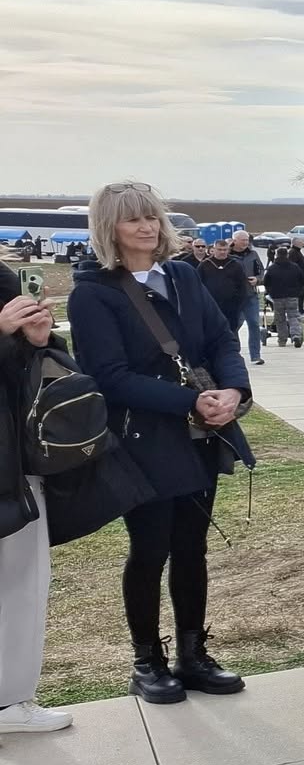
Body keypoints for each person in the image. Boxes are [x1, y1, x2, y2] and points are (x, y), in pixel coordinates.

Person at [67, 181, 255, 702]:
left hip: (200, 434)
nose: (147, 227)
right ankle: (147, 661)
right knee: (150, 550)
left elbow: (221, 340)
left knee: (192, 547)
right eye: (133, 219)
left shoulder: (183, 276)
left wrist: (233, 389)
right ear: (110, 228)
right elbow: (110, 376)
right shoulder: (93, 293)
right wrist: (189, 401)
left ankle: (193, 655)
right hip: (143, 439)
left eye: (151, 217)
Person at [0, 260, 71, 732]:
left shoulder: (3, 279)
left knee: (23, 580)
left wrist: (38, 340)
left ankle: (11, 700)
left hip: (13, 461)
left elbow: (27, 378)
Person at [227, 229, 265, 363]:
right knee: (234, 326)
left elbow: (261, 271)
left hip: (250, 295)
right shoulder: (228, 255)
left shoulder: (253, 254)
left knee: (254, 324)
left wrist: (257, 279)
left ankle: (255, 355)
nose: (245, 243)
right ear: (234, 241)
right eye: (243, 240)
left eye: (247, 240)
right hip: (234, 298)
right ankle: (234, 353)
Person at [198, 238, 251, 334]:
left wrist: (238, 303)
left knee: (230, 332)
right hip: (211, 306)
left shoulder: (235, 265)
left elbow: (242, 285)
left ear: (228, 250)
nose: (222, 252)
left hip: (231, 306)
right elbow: (198, 285)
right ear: (214, 249)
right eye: (219, 249)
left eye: (225, 250)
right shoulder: (204, 265)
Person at [263, 240, 304, 350]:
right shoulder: (294, 267)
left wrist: (270, 292)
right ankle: (296, 335)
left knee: (280, 319)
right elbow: (301, 280)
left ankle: (282, 339)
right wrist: (297, 291)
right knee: (294, 316)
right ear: (287, 255)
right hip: (292, 296)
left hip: (277, 297)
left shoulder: (272, 268)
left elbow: (266, 282)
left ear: (276, 255)